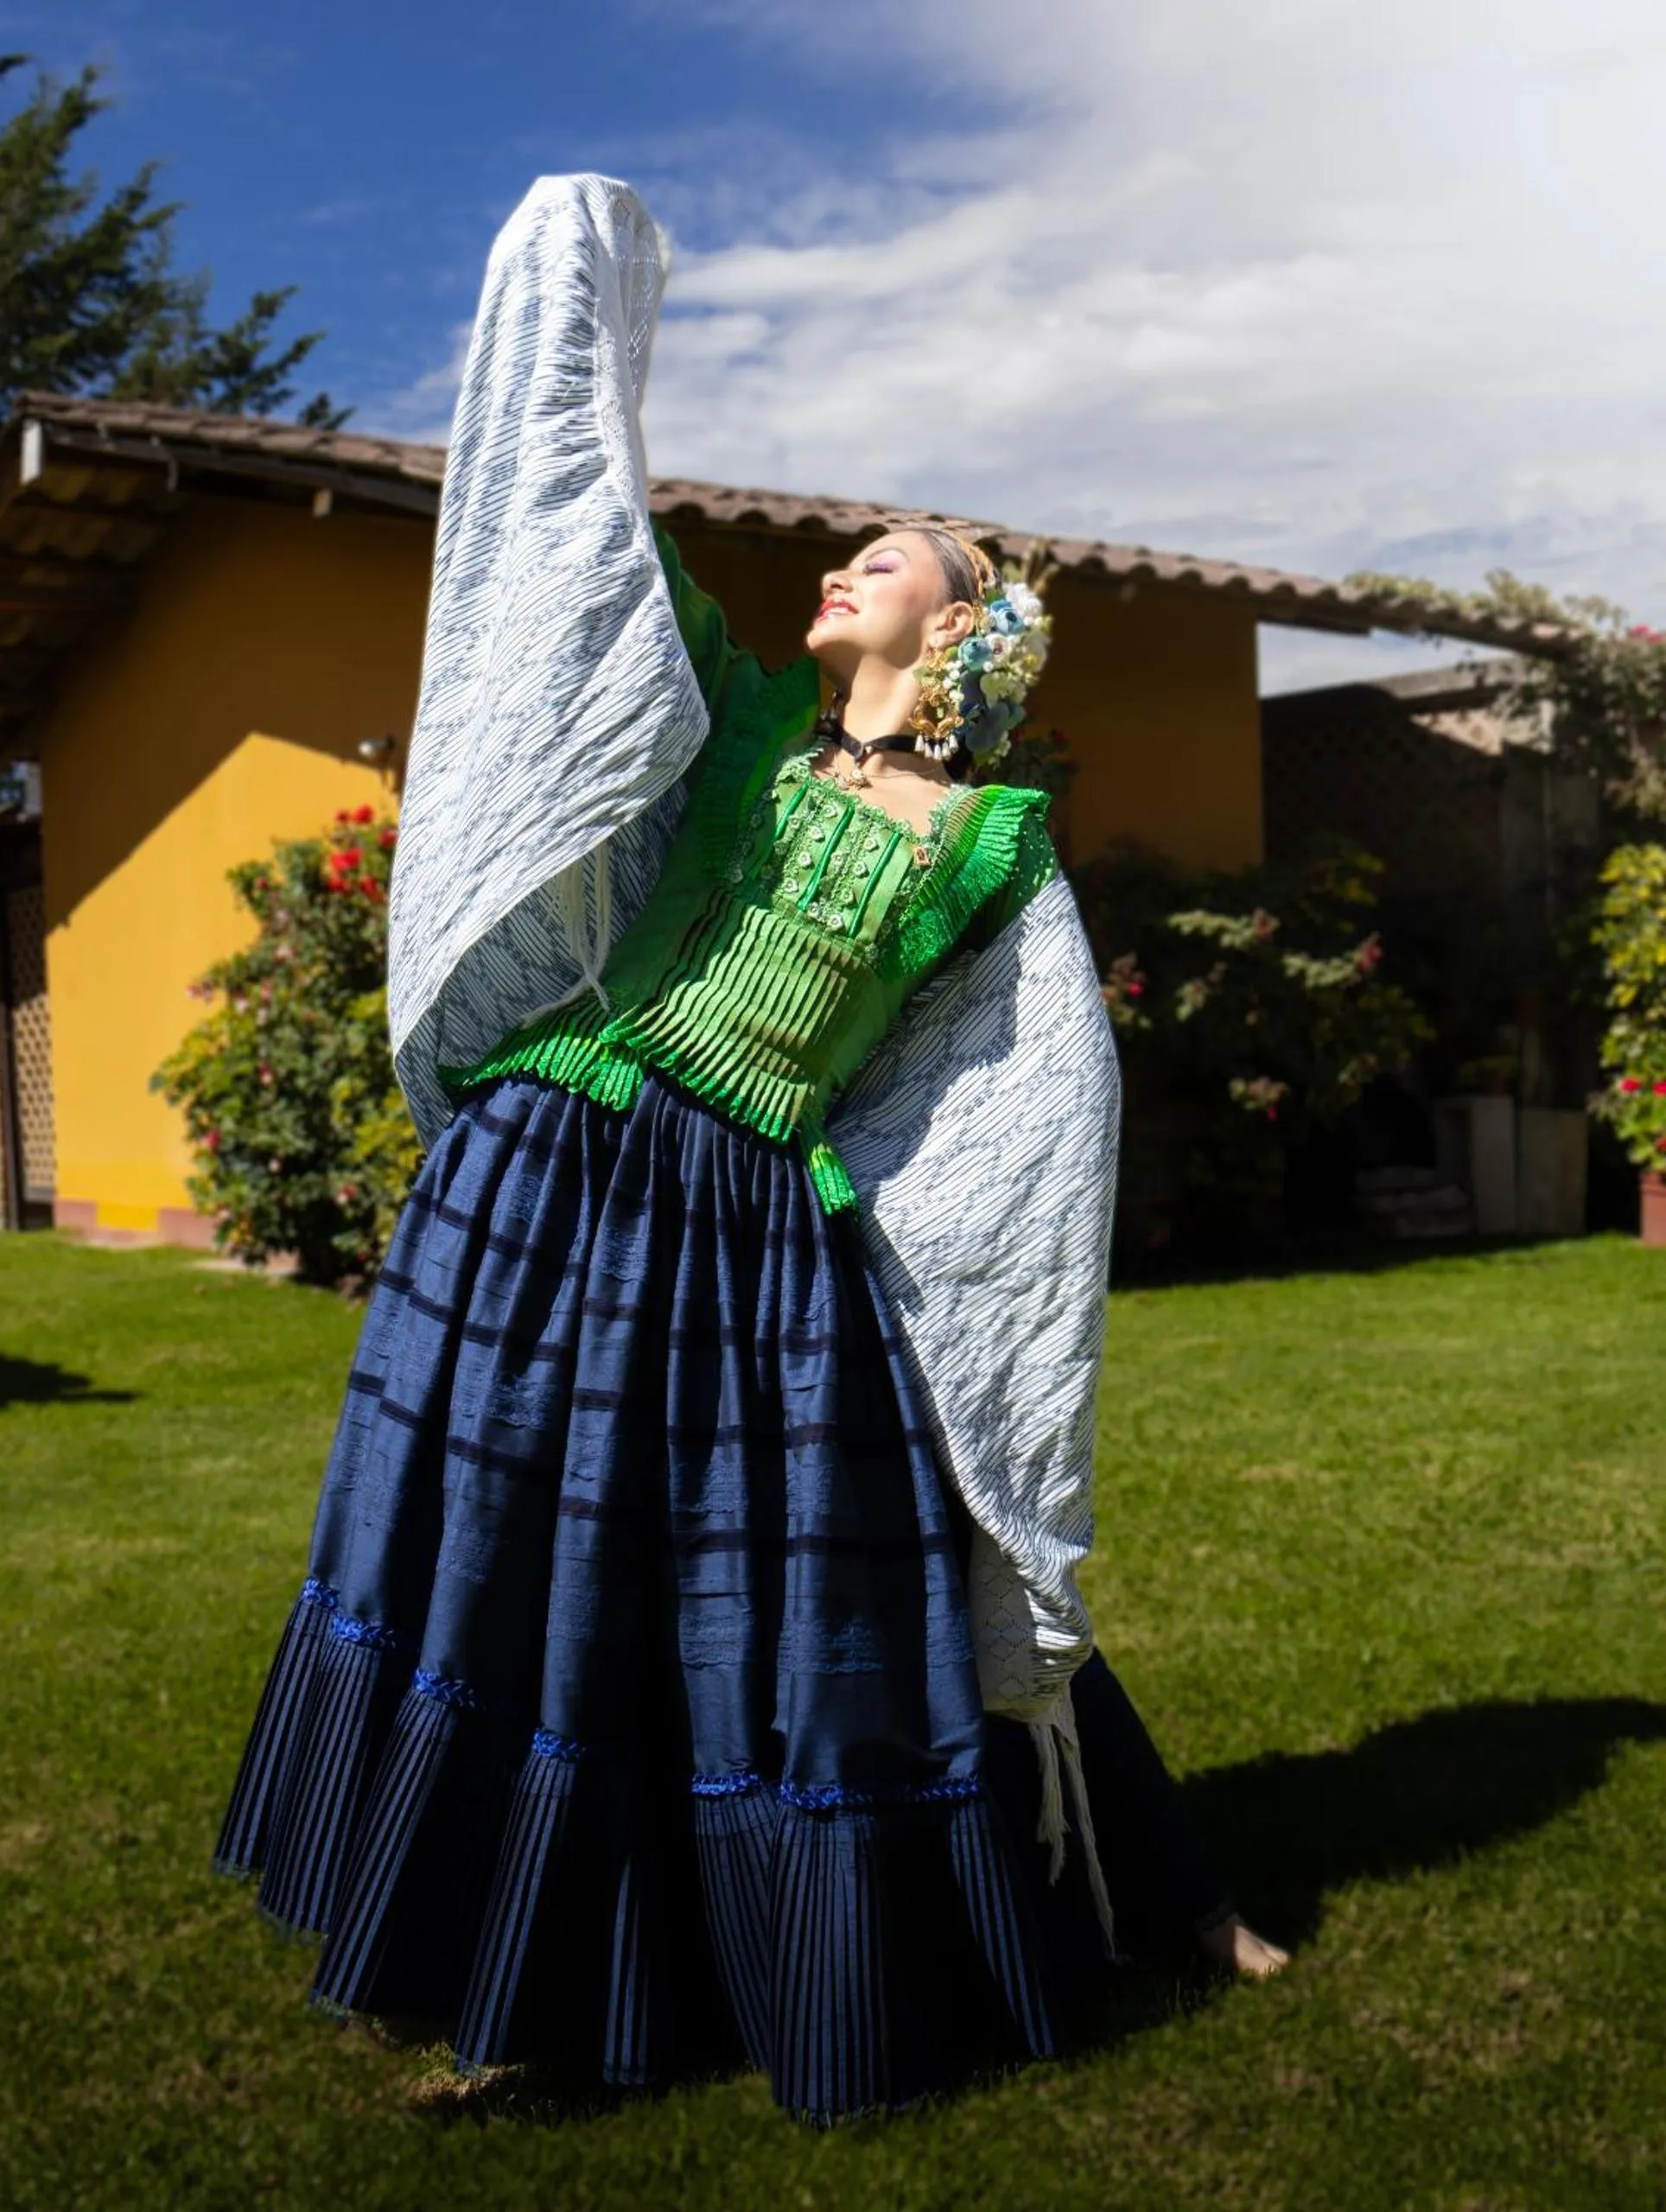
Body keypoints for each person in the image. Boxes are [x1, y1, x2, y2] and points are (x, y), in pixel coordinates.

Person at [215, 175, 1282, 2127]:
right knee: (503, 1568)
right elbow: (581, 547)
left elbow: (1036, 1090)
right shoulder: (724, 737)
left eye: (888, 560)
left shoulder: (988, 842)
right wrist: (573, 281)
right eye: (847, 555)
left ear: (964, 630)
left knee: (779, 1589)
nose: (843, 570)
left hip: (756, 1225)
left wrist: (951, 1270)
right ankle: (499, 1977)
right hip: (557, 1163)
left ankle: (1086, 1904)